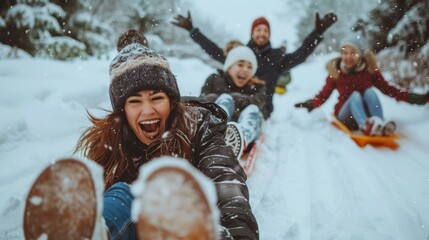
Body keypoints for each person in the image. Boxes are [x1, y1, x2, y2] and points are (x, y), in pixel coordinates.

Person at [23, 29, 259, 240]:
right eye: (135, 101)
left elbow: (226, 183)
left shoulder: (198, 126)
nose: (148, 110)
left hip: (190, 218)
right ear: (123, 110)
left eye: (157, 98)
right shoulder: (112, 142)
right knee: (122, 193)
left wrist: (239, 233)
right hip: (143, 220)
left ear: (171, 101)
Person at [172, 11, 337, 118]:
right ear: (253, 33)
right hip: (233, 104)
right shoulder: (241, 54)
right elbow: (214, 51)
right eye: (259, 30)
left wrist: (317, 34)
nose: (262, 33)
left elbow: (300, 55)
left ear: (269, 34)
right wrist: (193, 32)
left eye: (265, 30)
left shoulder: (276, 57)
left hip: (260, 107)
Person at [295, 34, 429, 136]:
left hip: (367, 113)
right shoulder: (336, 73)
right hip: (345, 115)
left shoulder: (369, 70)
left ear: (360, 54)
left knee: (370, 92)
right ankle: (366, 125)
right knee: (355, 95)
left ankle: (379, 124)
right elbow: (323, 95)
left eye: (353, 53)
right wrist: (311, 103)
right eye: (345, 53)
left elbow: (389, 90)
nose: (348, 57)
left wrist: (415, 98)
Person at [201, 45, 266, 158]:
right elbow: (200, 101)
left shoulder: (257, 86)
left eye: (250, 67)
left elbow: (259, 103)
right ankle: (214, 132)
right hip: (217, 121)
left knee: (253, 109)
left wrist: (240, 99)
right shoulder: (215, 79)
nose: (245, 69)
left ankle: (240, 142)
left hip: (242, 124)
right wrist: (212, 98)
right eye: (240, 64)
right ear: (229, 66)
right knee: (225, 99)